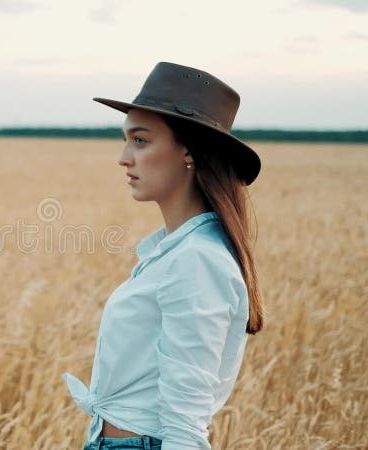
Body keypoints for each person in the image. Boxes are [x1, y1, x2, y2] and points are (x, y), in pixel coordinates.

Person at [62, 61, 265, 450]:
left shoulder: (197, 261)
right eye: (127, 139)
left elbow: (186, 425)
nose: (124, 157)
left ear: (189, 151)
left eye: (140, 140)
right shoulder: (175, 253)